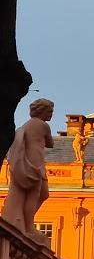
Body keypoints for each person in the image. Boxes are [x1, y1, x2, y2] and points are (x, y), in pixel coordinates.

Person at [2, 98, 55, 236]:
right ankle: (29, 225)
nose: (51, 114)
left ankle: (26, 222)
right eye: (49, 111)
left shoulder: (25, 126)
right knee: (34, 194)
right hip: (35, 161)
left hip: (30, 160)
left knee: (43, 194)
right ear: (41, 111)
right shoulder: (43, 125)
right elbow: (50, 143)